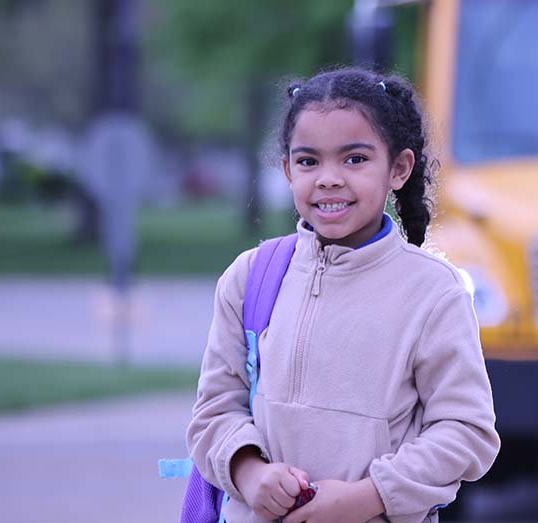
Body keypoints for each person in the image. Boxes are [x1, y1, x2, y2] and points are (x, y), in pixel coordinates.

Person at [187, 67, 500, 523]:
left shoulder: (434, 292)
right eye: (309, 161)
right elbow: (214, 410)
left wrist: (371, 496)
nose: (329, 178)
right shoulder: (250, 277)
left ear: (398, 169)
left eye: (354, 159)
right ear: (287, 169)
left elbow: (465, 431)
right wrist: (250, 473)